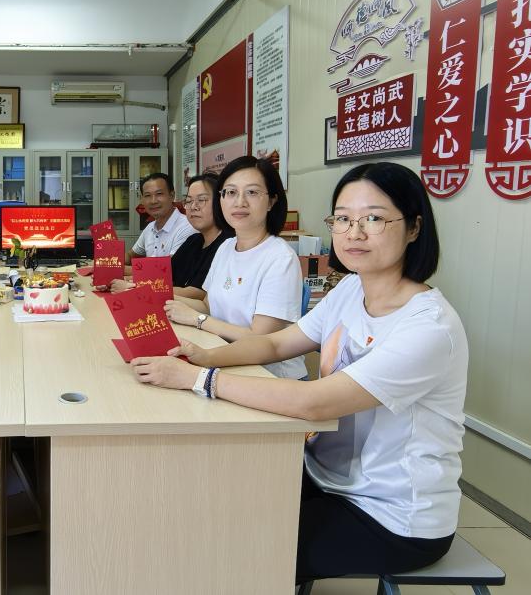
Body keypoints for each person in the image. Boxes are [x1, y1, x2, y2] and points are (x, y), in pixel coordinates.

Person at [131, 162, 466, 582]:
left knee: (229, 551)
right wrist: (199, 357)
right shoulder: (350, 289)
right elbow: (275, 343)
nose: (354, 233)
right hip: (323, 476)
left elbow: (313, 403)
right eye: (342, 219)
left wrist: (198, 379)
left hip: (390, 515)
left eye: (374, 219)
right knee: (208, 507)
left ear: (414, 227)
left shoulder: (428, 326)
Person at [163, 156, 306, 379]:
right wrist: (161, 299)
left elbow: (259, 339)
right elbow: (207, 305)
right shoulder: (227, 247)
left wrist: (198, 320)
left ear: (271, 201)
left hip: (267, 376)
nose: (240, 202)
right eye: (230, 192)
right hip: (223, 360)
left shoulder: (280, 258)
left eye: (252, 192)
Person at [110, 173, 232, 297]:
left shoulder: (228, 244)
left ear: (220, 201)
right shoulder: (194, 240)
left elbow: (199, 293)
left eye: (201, 200)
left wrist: (133, 288)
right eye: (189, 201)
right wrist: (121, 281)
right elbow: (167, 274)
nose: (193, 207)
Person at [129, 172, 195, 261]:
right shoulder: (150, 228)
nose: (153, 201)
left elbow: (169, 266)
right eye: (147, 195)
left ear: (172, 195)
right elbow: (130, 255)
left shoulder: (187, 227)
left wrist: (122, 268)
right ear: (142, 200)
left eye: (159, 194)